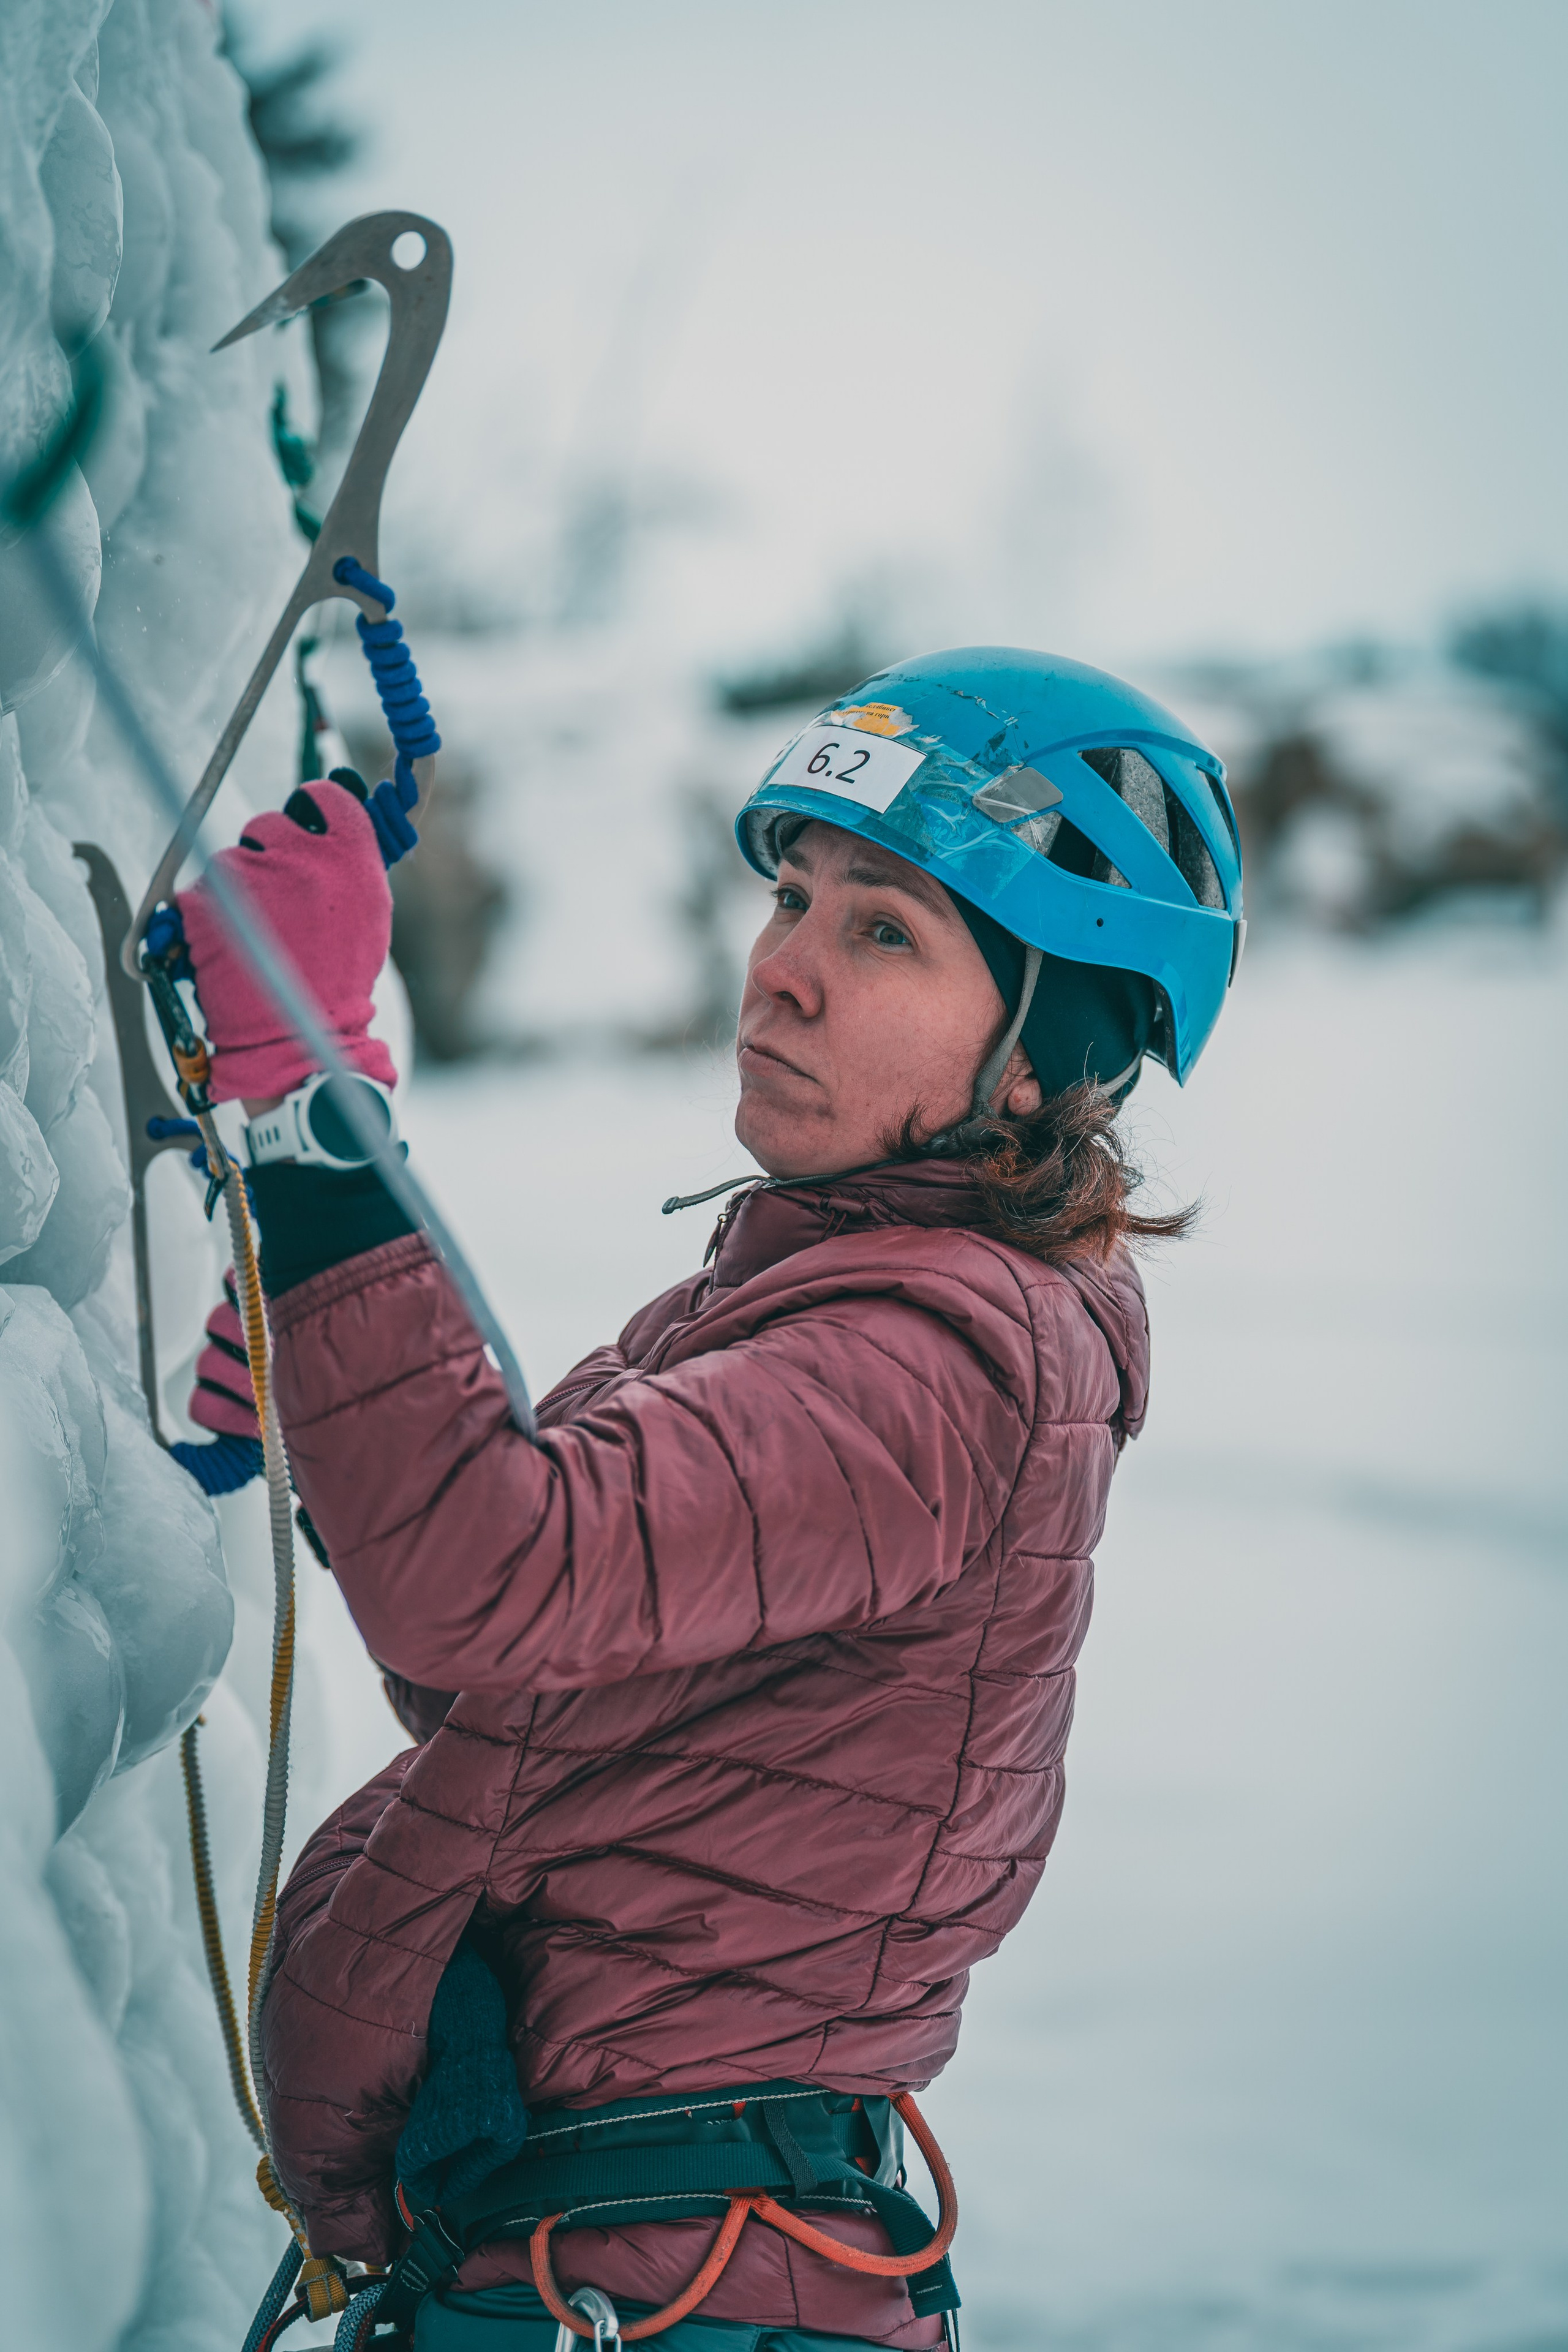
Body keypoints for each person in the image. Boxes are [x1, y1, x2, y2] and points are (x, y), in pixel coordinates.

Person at [173, 646, 1243, 2351]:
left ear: (1045, 1059)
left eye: (884, 928)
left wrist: (311, 1107)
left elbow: (490, 1580)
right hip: (592, 2266)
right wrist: (337, 1419)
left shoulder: (944, 1361)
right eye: (795, 898)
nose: (784, 973)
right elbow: (520, 1681)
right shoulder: (799, 1299)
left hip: (659, 2294)